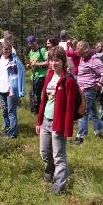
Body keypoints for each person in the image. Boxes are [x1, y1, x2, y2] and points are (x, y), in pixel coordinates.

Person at [36, 47, 78, 194]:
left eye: (57, 60)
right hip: (46, 121)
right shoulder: (48, 76)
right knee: (44, 153)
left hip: (58, 122)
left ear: (63, 61)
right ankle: (49, 174)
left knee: (59, 156)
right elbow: (43, 100)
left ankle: (58, 188)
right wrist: (39, 121)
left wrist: (67, 128)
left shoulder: (68, 80)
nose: (54, 63)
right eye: (52, 60)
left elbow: (70, 107)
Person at [73, 40, 103, 145]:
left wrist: (100, 84)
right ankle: (99, 132)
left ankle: (80, 137)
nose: (80, 56)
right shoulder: (84, 58)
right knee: (93, 112)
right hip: (84, 89)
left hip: (89, 90)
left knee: (82, 113)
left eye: (82, 54)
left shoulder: (94, 59)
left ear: (86, 51)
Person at [0, 41, 26, 138]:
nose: (7, 50)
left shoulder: (14, 60)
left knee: (11, 112)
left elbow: (17, 75)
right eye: (5, 48)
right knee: (4, 111)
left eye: (9, 49)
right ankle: (5, 130)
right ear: (1, 49)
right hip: (0, 89)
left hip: (10, 90)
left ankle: (12, 134)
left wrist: (13, 89)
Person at [26, 36, 48, 115]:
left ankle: (38, 110)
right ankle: (34, 108)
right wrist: (29, 65)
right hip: (33, 75)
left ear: (36, 41)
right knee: (31, 92)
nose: (30, 45)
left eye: (31, 42)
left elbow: (47, 62)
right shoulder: (31, 52)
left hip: (41, 75)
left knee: (36, 93)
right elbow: (31, 62)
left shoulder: (42, 50)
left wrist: (37, 64)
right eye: (29, 43)